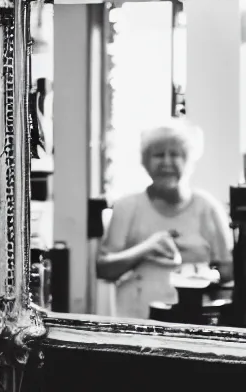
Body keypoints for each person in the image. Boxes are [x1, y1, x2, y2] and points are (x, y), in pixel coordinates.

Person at [96, 118, 233, 319]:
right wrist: (146, 248)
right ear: (146, 162)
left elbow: (228, 271)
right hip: (136, 321)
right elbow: (104, 269)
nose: (166, 162)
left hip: (194, 320)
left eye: (175, 154)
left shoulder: (208, 208)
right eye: (158, 155)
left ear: (188, 160)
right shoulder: (126, 207)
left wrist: (203, 274)